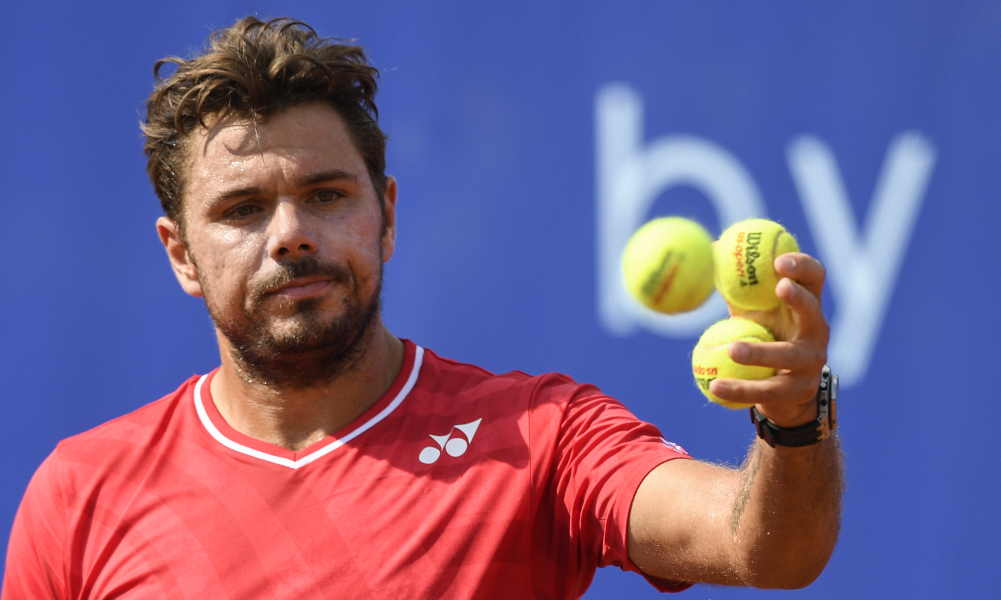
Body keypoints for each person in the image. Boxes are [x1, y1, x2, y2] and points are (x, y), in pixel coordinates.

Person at [2, 17, 842, 599]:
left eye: (325, 194)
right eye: (243, 209)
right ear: (180, 253)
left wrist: (795, 422)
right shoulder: (81, 494)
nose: (291, 234)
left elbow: (763, 549)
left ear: (388, 215)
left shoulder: (543, 435)